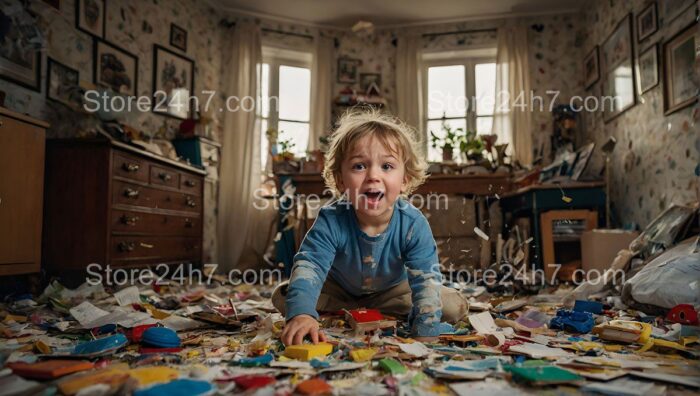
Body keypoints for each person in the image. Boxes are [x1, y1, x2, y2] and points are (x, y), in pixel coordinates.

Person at [272, 110, 468, 346]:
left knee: (450, 306)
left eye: (387, 166)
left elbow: (426, 278)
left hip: (392, 291)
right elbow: (310, 265)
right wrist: (302, 314)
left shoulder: (413, 224)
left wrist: (425, 330)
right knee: (285, 297)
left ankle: (370, 311)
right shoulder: (331, 219)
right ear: (341, 180)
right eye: (359, 166)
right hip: (340, 291)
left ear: (405, 179)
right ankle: (349, 311)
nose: (373, 175)